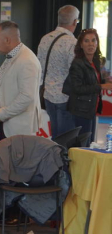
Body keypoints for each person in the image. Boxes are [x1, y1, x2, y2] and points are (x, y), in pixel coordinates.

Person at [0, 21, 41, 141]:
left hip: (19, 130)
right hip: (9, 126)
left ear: (7, 40)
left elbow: (27, 97)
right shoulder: (14, 56)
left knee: (15, 160)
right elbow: (6, 87)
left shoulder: (26, 60)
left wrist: (0, 114)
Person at [63, 28, 112, 145]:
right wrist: (101, 86)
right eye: (86, 41)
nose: (90, 44)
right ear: (81, 45)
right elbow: (78, 88)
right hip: (80, 110)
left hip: (91, 109)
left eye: (93, 40)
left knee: (89, 144)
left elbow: (92, 81)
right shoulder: (77, 63)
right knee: (82, 146)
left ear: (97, 43)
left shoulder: (95, 61)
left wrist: (105, 80)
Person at [37, 5, 79, 139]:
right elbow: (75, 71)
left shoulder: (45, 39)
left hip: (47, 94)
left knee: (55, 136)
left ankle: (55, 159)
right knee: (67, 138)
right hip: (65, 97)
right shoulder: (72, 42)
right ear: (74, 21)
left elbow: (39, 67)